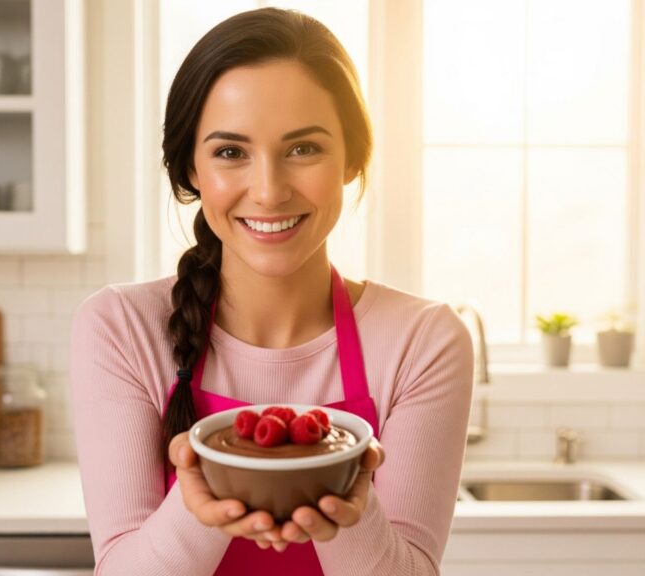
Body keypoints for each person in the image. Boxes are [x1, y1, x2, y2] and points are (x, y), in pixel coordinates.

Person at [70, 7, 474, 576]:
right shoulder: (120, 326)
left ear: (352, 159)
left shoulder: (424, 340)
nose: (268, 190)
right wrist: (206, 500)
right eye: (230, 152)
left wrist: (346, 511)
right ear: (191, 169)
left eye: (303, 148)